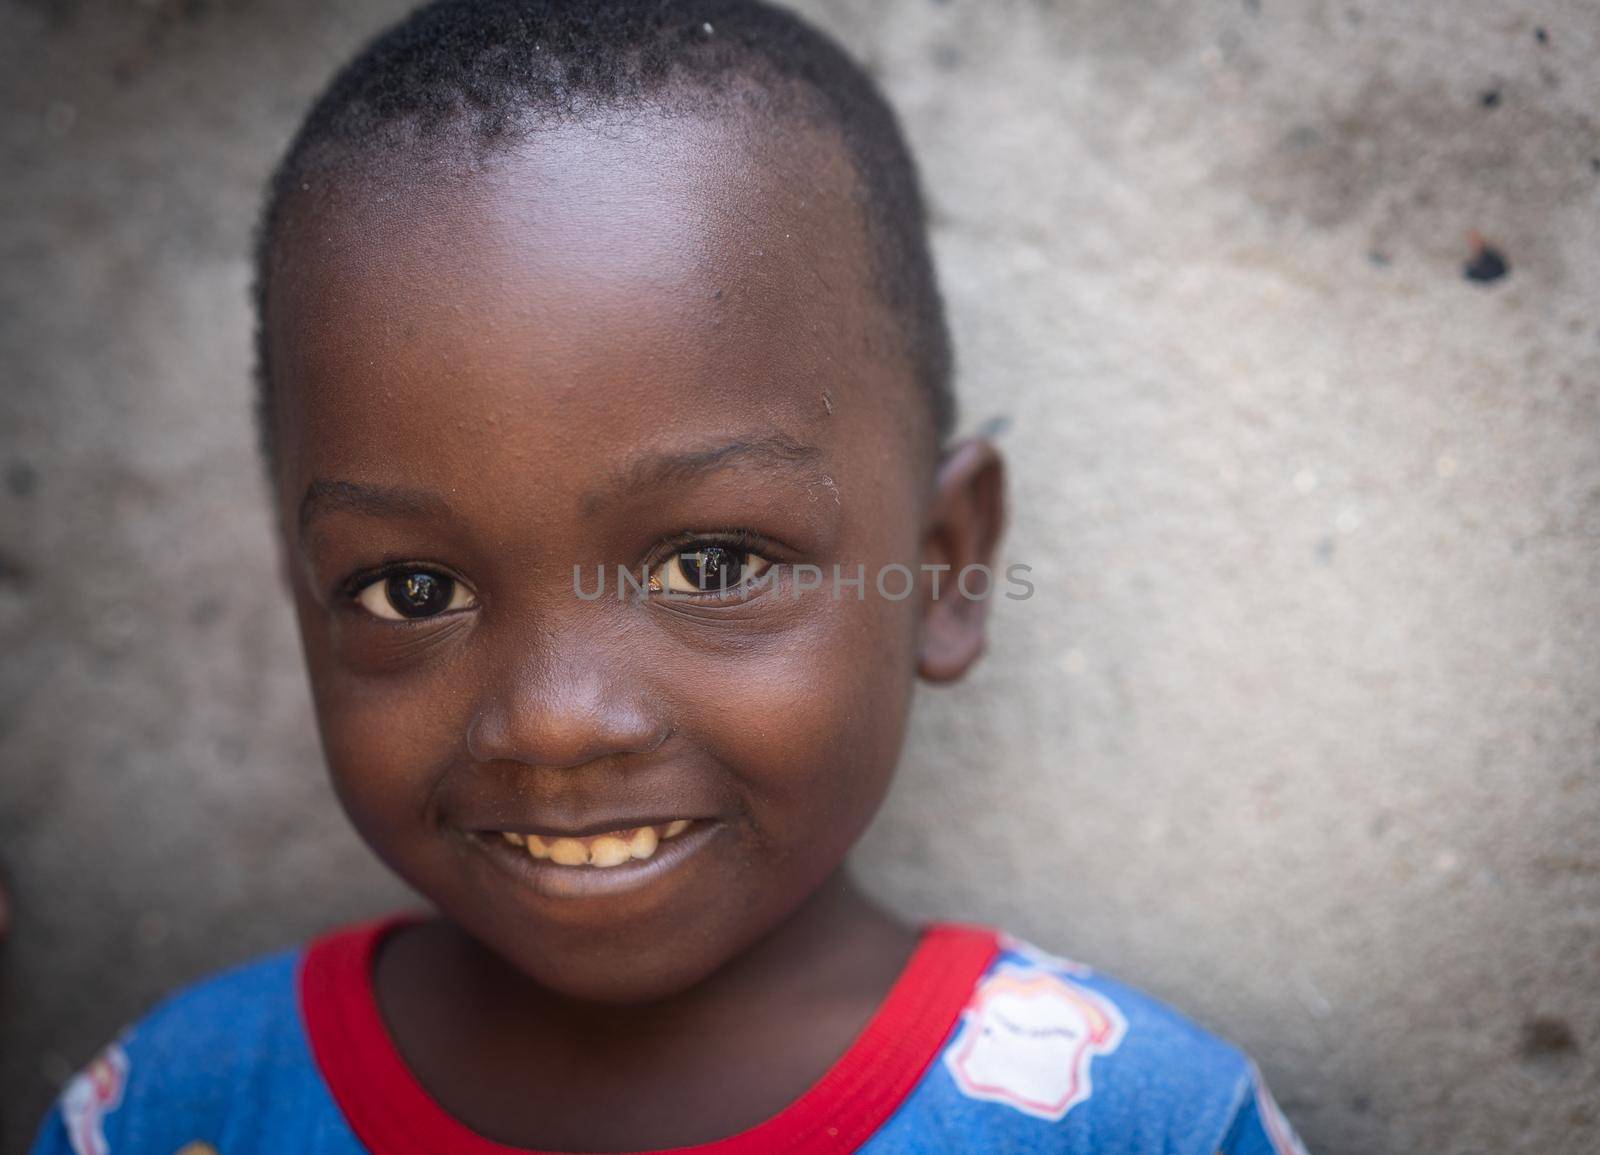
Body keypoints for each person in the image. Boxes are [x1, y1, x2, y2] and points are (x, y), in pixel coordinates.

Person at [30, 2, 1311, 1152]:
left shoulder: (1135, 1123)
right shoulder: (176, 1109)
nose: (556, 719)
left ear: (942, 566)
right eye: (409, 590)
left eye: (712, 563)